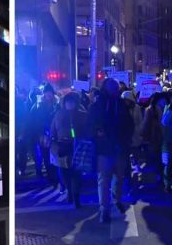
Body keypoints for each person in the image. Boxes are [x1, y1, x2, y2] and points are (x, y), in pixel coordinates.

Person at [89, 77, 134, 222]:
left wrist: (126, 139)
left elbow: (129, 124)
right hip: (104, 148)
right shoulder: (97, 105)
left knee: (119, 178)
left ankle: (116, 198)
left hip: (119, 148)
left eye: (116, 87)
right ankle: (104, 209)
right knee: (104, 180)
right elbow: (91, 124)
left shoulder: (121, 104)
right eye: (112, 86)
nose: (114, 89)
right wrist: (97, 132)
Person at [49, 91, 88, 207]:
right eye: (68, 102)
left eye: (72, 102)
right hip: (63, 146)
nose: (70, 104)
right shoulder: (59, 115)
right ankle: (69, 190)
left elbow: (87, 130)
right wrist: (53, 142)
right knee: (64, 172)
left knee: (76, 173)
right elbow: (53, 130)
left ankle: (75, 196)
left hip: (77, 147)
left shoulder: (82, 115)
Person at [28, 84, 58, 186]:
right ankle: (50, 177)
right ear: (44, 94)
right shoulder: (38, 106)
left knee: (54, 156)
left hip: (54, 135)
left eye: (50, 93)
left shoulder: (56, 105)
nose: (49, 95)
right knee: (46, 156)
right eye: (47, 93)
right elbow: (33, 122)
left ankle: (54, 176)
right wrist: (40, 133)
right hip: (42, 135)